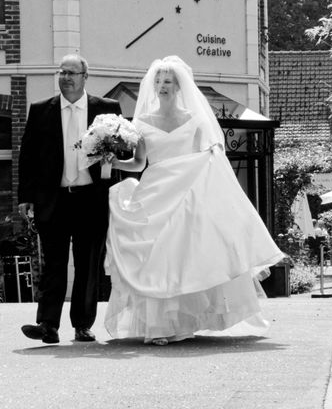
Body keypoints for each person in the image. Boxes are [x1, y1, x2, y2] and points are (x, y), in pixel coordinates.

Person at [104, 56, 284, 345]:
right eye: (158, 81)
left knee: (184, 256)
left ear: (179, 86)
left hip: (187, 194)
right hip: (155, 192)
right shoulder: (140, 122)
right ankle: (160, 325)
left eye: (168, 81)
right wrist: (115, 163)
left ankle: (185, 320)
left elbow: (210, 157)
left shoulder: (196, 119)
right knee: (158, 257)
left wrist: (211, 156)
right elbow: (139, 164)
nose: (162, 86)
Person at [18, 54, 122, 344]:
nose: (65, 77)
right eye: (62, 72)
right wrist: (25, 197)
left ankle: (83, 325)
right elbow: (27, 157)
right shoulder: (41, 110)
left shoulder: (107, 109)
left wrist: (115, 158)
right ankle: (48, 325)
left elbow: (124, 150)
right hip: (54, 198)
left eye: (72, 72)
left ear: (84, 77)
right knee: (54, 263)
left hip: (92, 198)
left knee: (88, 265)